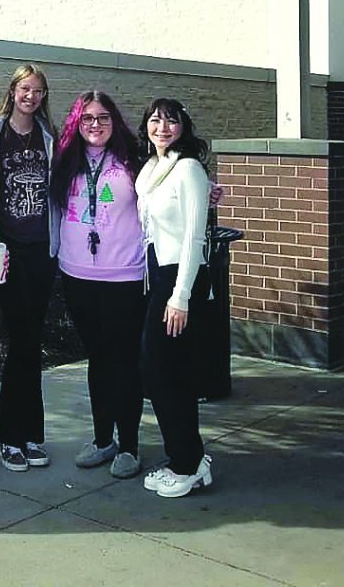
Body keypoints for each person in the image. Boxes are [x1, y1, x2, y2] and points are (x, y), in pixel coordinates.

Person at [49, 91, 146, 480]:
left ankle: (130, 445)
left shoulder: (134, 160)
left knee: (123, 360)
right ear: (77, 122)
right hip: (77, 275)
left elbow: (169, 183)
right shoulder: (65, 160)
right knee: (98, 360)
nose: (95, 124)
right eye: (87, 118)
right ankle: (103, 438)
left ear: (114, 120)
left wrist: (204, 189)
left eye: (103, 117)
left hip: (124, 276)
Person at [135, 97, 214, 499]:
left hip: (179, 280)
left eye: (170, 121)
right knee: (164, 371)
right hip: (155, 278)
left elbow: (194, 237)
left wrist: (180, 296)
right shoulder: (150, 168)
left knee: (164, 372)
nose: (162, 127)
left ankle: (186, 464)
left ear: (183, 126)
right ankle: (190, 457)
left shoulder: (189, 169)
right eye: (154, 120)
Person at [0, 64, 58, 473]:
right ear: (12, 91)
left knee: (31, 343)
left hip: (42, 250)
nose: (31, 96)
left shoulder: (50, 140)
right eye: (25, 88)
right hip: (5, 250)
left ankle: (28, 435)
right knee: (23, 339)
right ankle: (10, 436)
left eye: (38, 91)